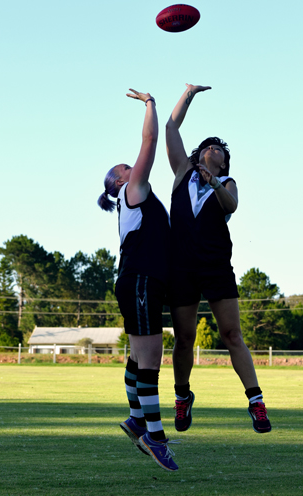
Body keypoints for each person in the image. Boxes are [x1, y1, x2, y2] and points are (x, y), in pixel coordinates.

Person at [165, 83, 272, 434]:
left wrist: (213, 183)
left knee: (232, 335)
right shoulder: (182, 173)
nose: (214, 149)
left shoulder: (227, 183)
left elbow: (232, 206)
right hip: (181, 267)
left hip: (215, 267)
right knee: (184, 338)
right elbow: (170, 128)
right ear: (198, 156)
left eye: (219, 149)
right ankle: (182, 398)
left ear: (223, 161)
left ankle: (256, 402)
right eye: (208, 146)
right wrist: (189, 94)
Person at [97, 88, 179, 471]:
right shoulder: (134, 191)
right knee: (150, 365)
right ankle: (154, 437)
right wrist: (150, 103)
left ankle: (135, 419)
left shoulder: (134, 198)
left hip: (137, 282)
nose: (131, 168)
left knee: (136, 358)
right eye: (124, 169)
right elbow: (149, 140)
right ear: (119, 183)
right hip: (142, 282)